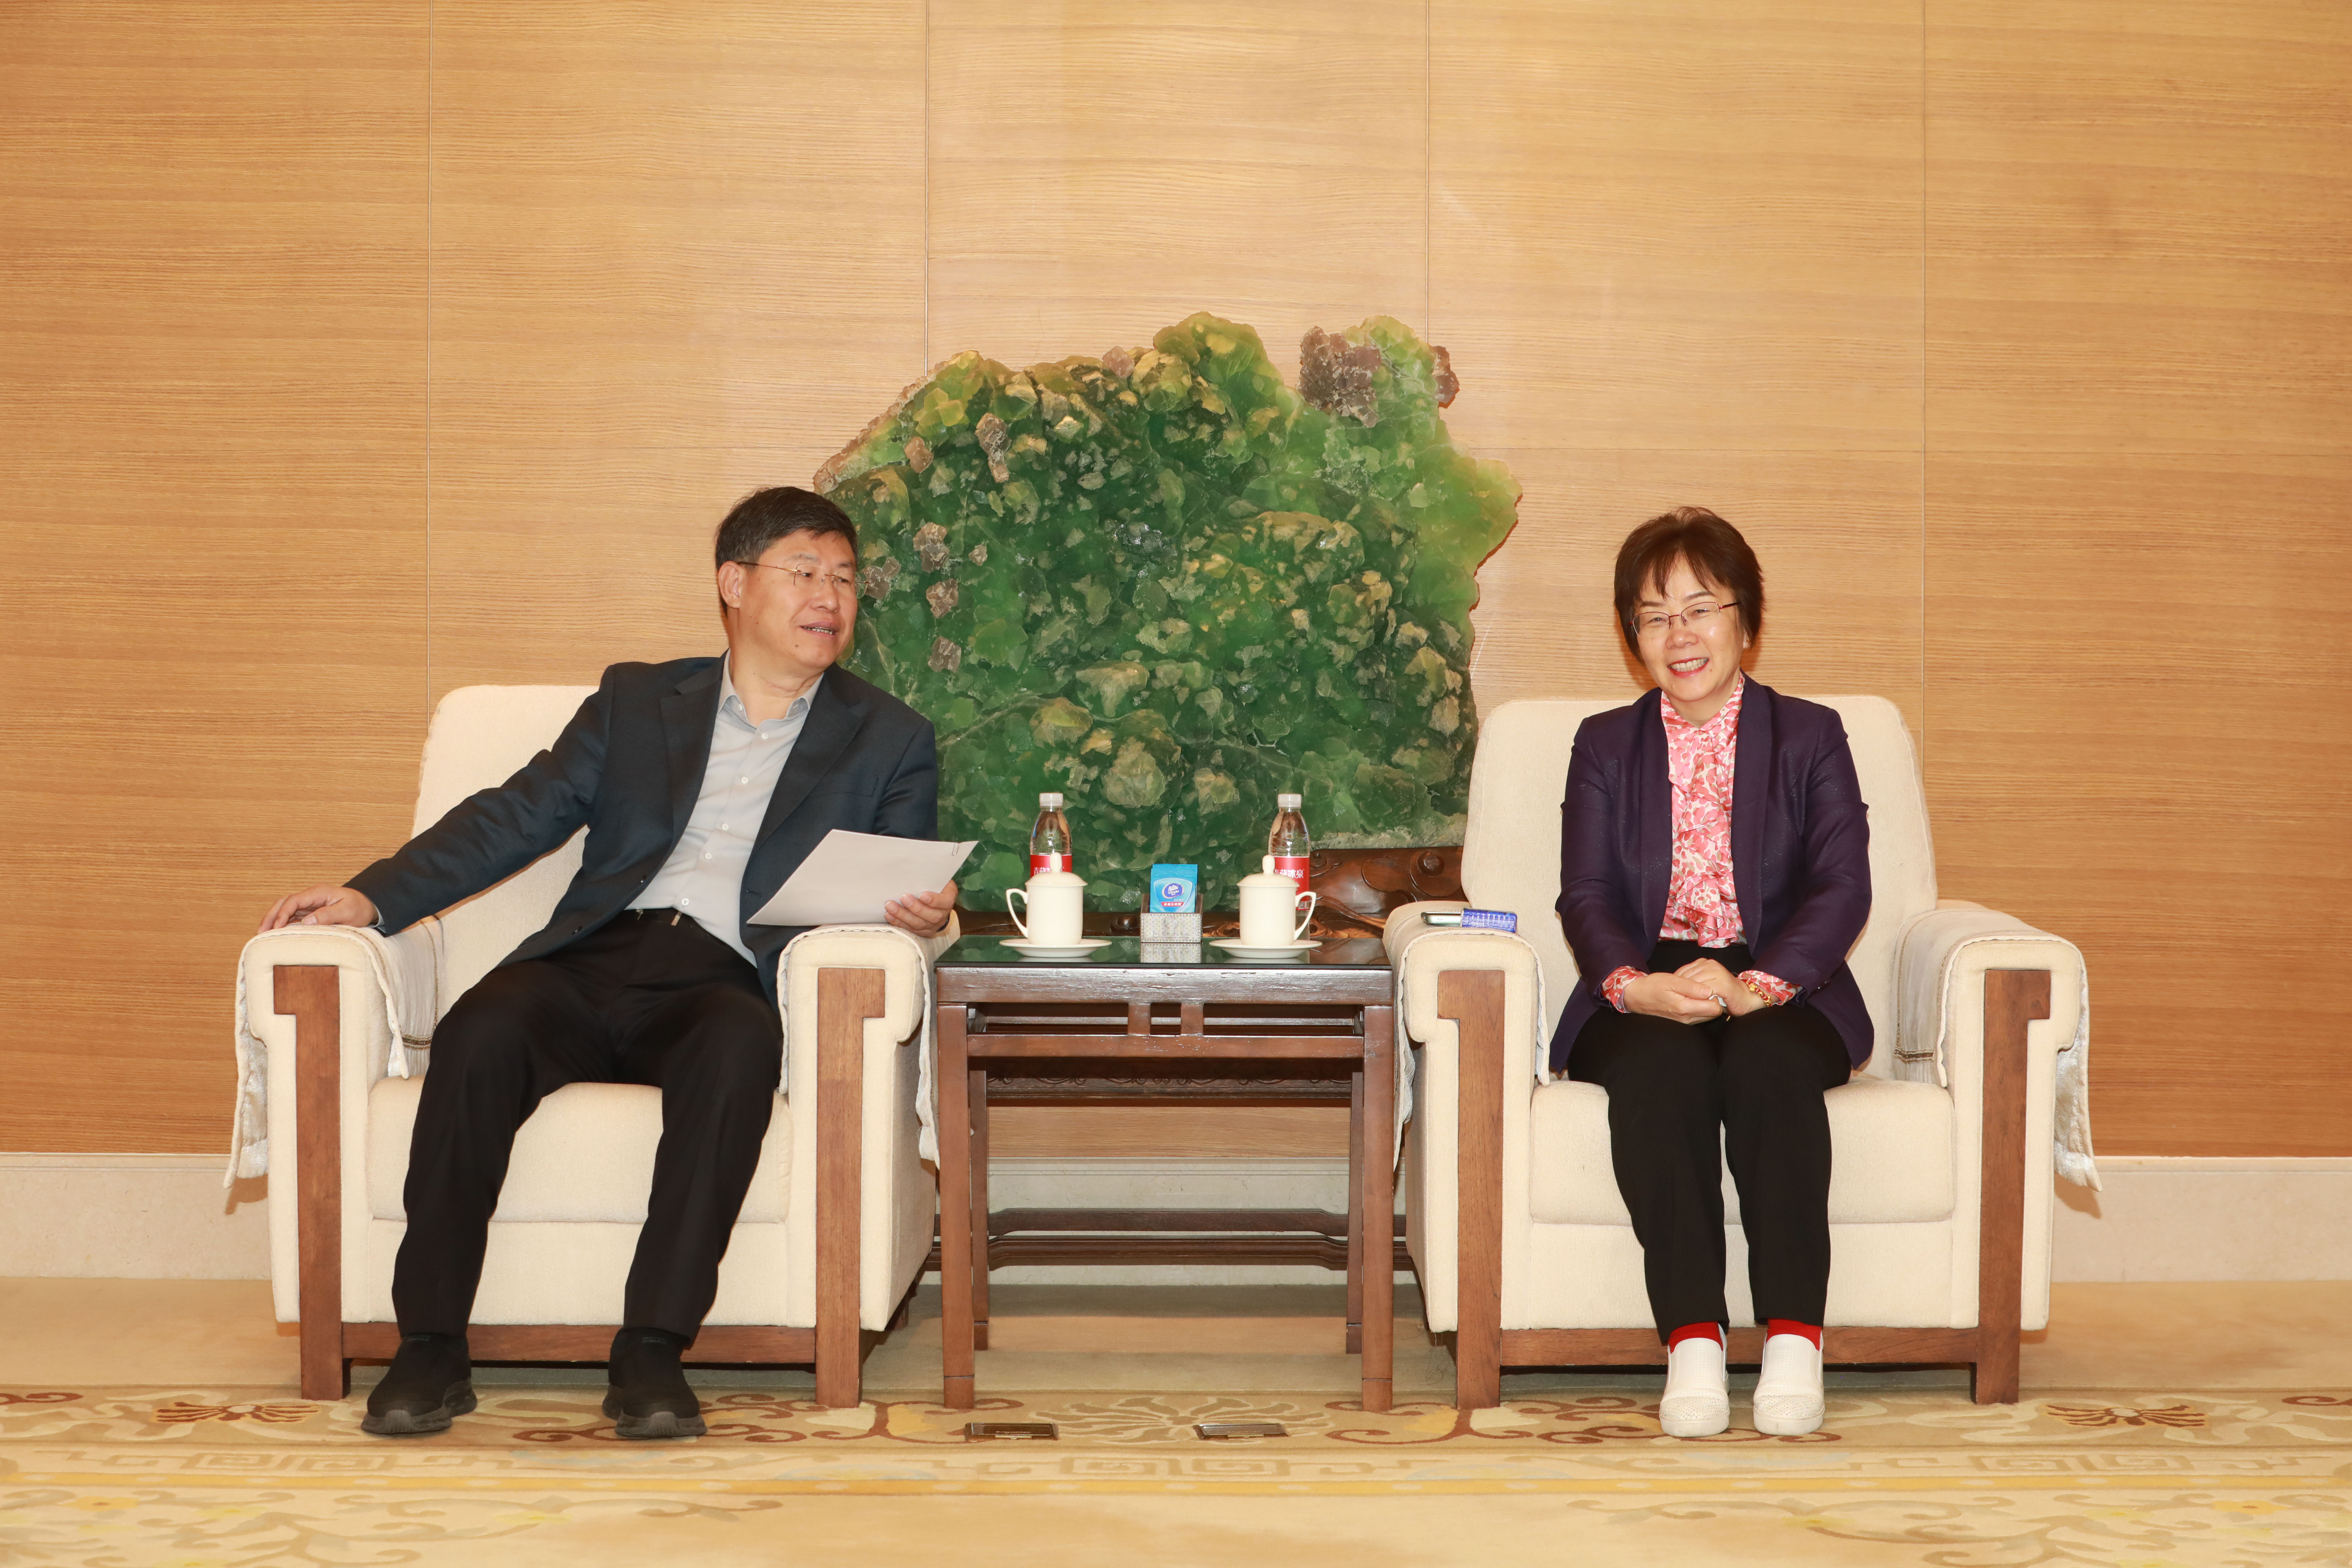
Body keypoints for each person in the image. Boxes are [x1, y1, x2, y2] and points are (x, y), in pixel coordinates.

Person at [259, 485, 958, 1440]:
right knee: (478, 1032)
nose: (829, 597)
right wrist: (373, 898)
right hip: (593, 955)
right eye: (804, 572)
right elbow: (517, 816)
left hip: (727, 976)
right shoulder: (638, 701)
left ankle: (652, 1350)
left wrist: (919, 915)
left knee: (738, 1052)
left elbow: (903, 876)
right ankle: (429, 1345)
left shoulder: (890, 737)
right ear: (734, 583)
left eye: (844, 579)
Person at [1548, 506, 1871, 1439]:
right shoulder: (1604, 744)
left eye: (1700, 608)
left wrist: (1758, 987)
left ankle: (1794, 1341)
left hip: (1784, 979)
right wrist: (1631, 986)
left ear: (1746, 620)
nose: (1679, 635)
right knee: (1659, 1070)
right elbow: (1586, 893)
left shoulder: (1811, 735)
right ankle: (1692, 1341)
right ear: (1633, 637)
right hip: (1645, 975)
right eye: (1654, 616)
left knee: (1769, 1065)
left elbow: (1843, 887)